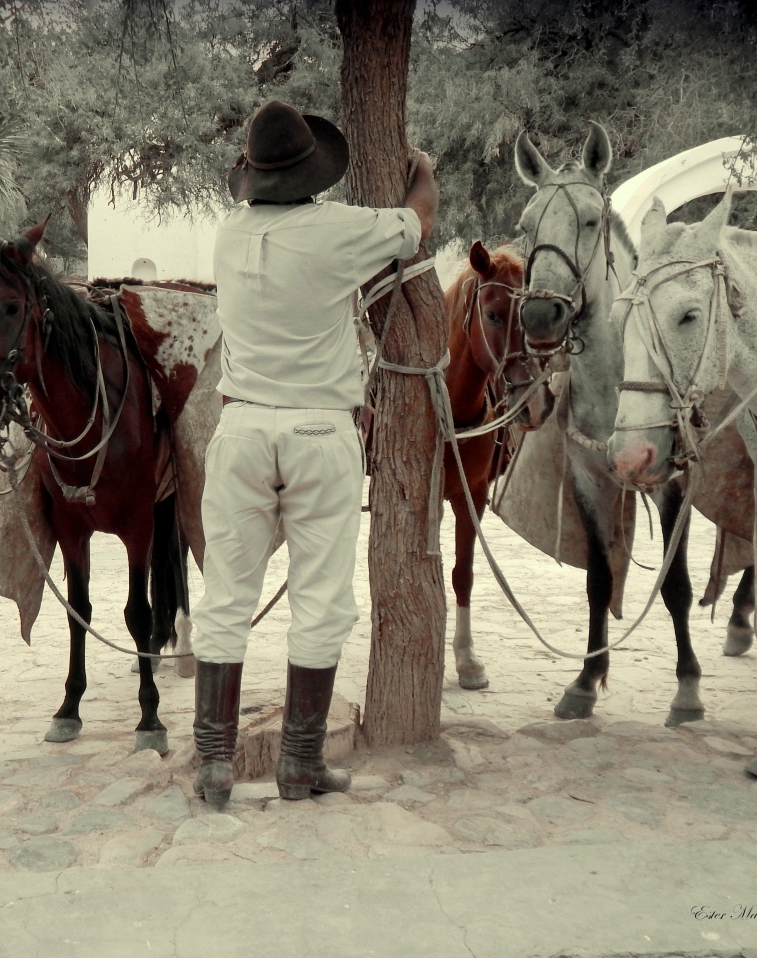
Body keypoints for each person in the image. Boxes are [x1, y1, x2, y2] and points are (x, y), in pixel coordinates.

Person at [191, 99, 440, 807]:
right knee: (321, 601)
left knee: (226, 598)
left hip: (240, 429)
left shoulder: (228, 234)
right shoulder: (339, 231)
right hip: (318, 432)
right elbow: (418, 221)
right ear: (311, 172)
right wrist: (420, 167)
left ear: (254, 176)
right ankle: (299, 763)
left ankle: (215, 763)